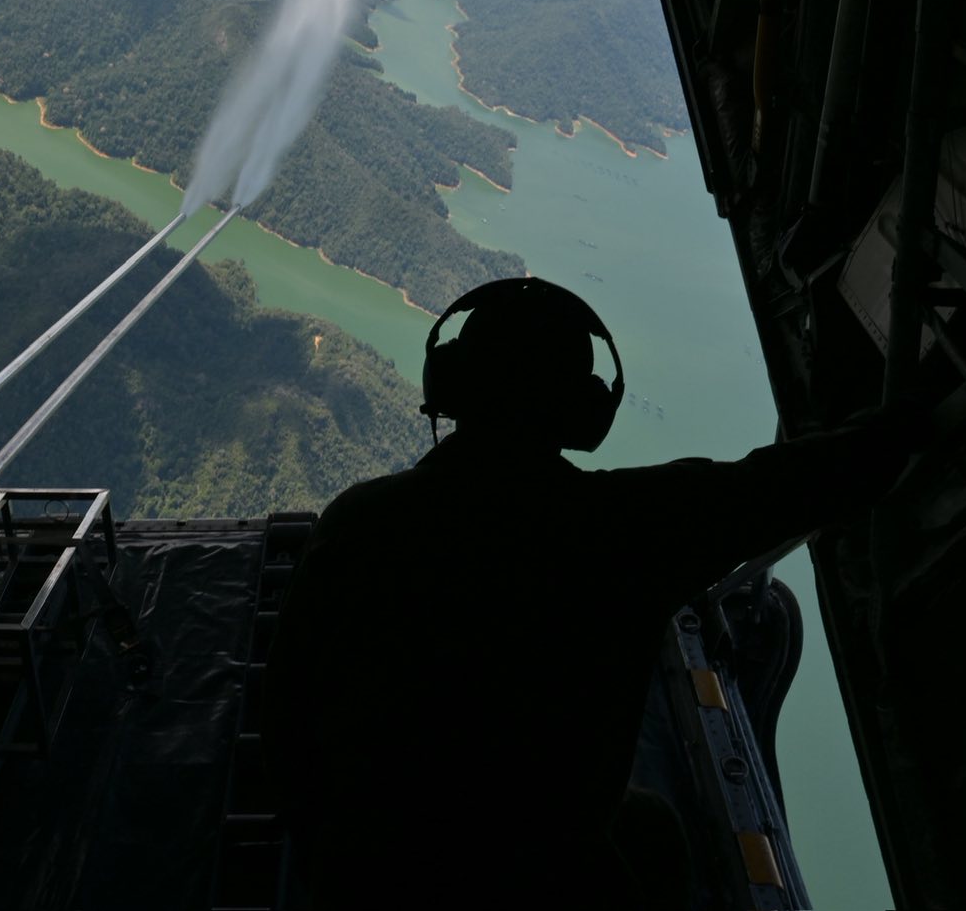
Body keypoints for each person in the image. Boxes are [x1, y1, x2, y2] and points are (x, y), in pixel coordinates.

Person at [262, 277, 920, 908]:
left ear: (452, 386)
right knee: (652, 834)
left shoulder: (357, 522)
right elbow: (790, 483)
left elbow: (285, 715)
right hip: (539, 878)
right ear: (583, 410)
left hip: (368, 878)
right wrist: (912, 416)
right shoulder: (628, 528)